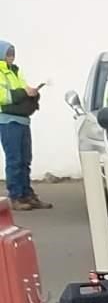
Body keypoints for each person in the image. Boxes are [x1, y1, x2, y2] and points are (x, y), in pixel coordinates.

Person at [0, 40, 44, 208]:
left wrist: (31, 92)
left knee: (25, 159)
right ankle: (16, 196)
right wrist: (23, 93)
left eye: (12, 53)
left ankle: (26, 193)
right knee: (14, 159)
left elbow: (22, 89)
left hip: (22, 119)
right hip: (8, 120)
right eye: (7, 53)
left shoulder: (15, 71)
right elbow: (3, 96)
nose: (11, 56)